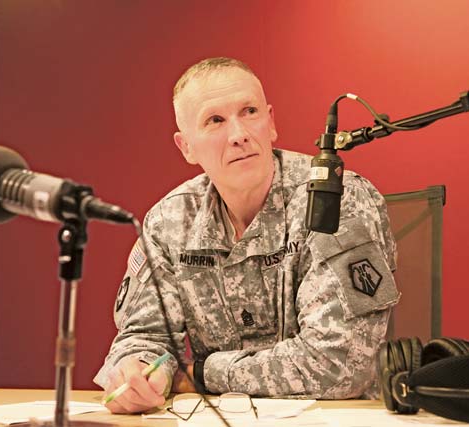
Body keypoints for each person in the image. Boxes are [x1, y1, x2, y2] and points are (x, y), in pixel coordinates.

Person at [93, 57, 399, 414]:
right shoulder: (169, 221)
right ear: (186, 147)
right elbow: (142, 336)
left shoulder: (334, 200)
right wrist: (136, 372)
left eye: (250, 111)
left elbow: (339, 365)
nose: (239, 134)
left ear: (271, 123)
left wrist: (200, 374)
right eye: (215, 121)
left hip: (333, 419)